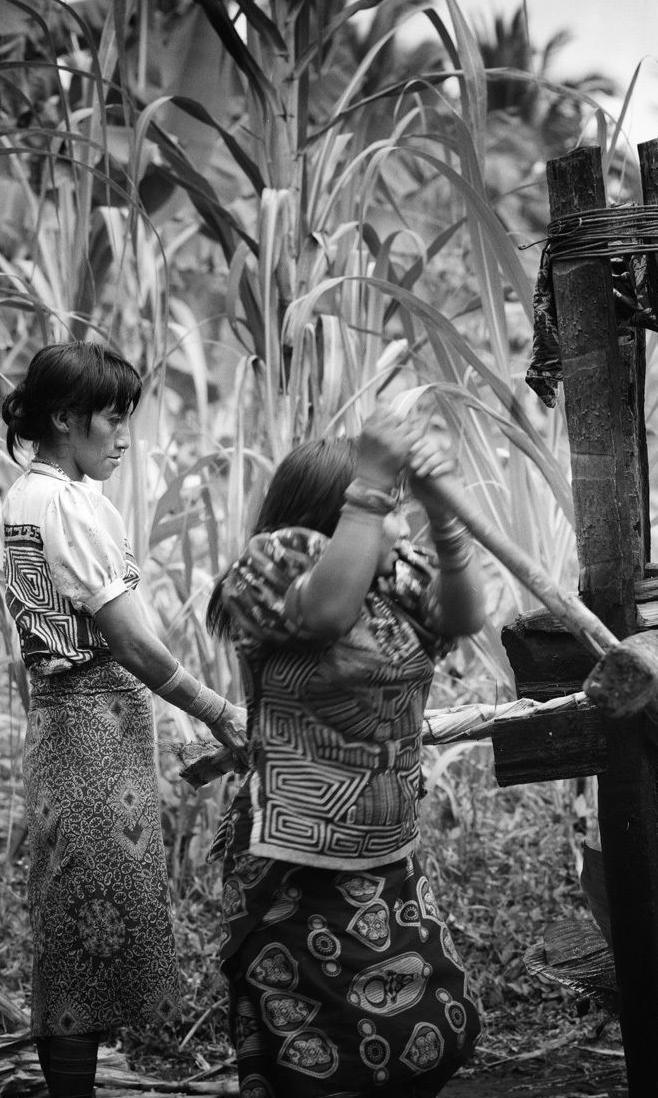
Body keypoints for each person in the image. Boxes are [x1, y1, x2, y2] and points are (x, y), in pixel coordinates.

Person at [206, 407, 486, 1098]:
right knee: (317, 1052)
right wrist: (372, 485)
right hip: (295, 865)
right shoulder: (269, 568)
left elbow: (465, 617)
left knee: (429, 1030)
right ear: (337, 517)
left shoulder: (396, 577)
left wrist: (445, 519)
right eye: (386, 508)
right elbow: (326, 613)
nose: (399, 525)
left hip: (385, 851)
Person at [0, 342, 248, 1098]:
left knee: (75, 924)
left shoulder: (32, 496)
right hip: (90, 741)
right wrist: (218, 712)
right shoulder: (66, 505)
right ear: (64, 418)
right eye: (111, 419)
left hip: (73, 732)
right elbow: (130, 641)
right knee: (84, 929)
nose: (123, 438)